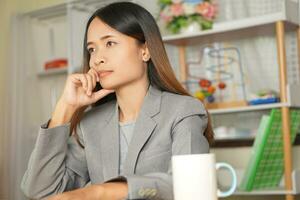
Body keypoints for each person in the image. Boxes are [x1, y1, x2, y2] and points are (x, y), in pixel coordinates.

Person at [21, 2, 214, 200]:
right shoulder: (89, 124)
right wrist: (65, 108)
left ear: (145, 50)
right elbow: (40, 191)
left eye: (110, 43)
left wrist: (100, 192)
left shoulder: (183, 110)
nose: (96, 59)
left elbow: (192, 185)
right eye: (92, 49)